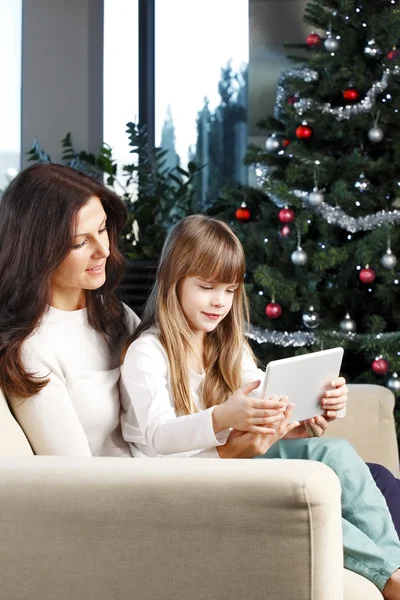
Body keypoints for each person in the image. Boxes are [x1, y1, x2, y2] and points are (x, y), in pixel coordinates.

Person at [120, 214, 400, 598]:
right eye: (206, 287)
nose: (220, 302)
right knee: (304, 491)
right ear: (174, 281)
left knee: (334, 450)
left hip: (228, 464)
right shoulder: (147, 352)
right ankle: (389, 579)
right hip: (179, 480)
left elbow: (263, 395)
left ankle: (396, 567)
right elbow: (156, 436)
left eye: (230, 290)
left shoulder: (226, 346)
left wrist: (309, 411)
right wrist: (222, 416)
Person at [0, 163, 139, 457]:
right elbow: (73, 482)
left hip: (165, 480)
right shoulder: (32, 350)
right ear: (38, 251)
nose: (103, 249)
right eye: (80, 242)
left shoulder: (116, 315)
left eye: (102, 229)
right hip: (116, 498)